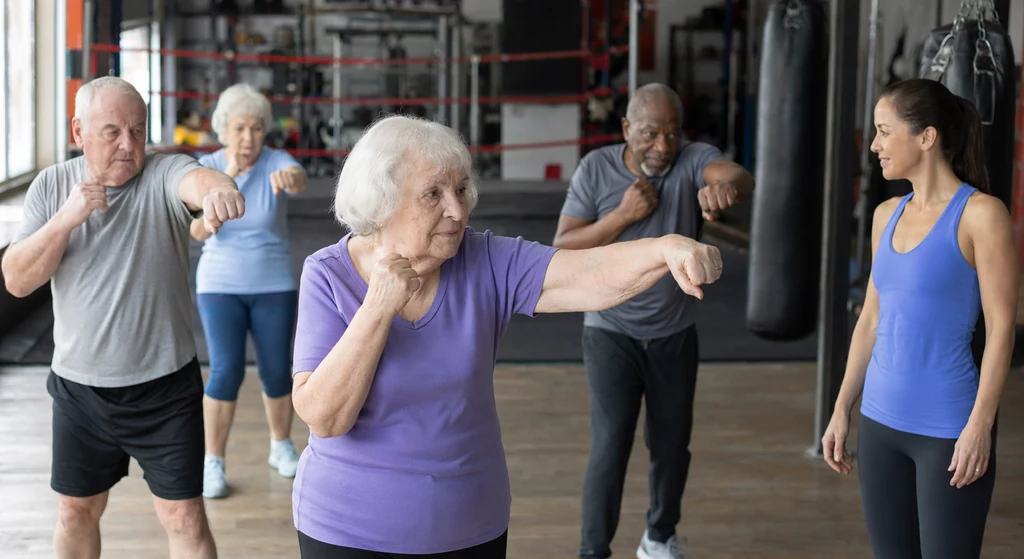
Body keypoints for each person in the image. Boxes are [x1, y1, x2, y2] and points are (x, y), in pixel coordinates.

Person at [288, 113, 725, 558]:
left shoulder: (486, 260)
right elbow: (324, 417)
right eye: (433, 194)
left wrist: (665, 247)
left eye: (460, 190)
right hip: (346, 532)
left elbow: (587, 275)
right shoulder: (328, 275)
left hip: (471, 526)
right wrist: (379, 305)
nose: (457, 211)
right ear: (382, 202)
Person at [1, 76, 245, 559]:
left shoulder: (160, 173)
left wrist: (219, 187)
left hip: (164, 390)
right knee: (76, 510)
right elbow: (17, 280)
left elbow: (195, 179)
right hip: (79, 391)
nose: (128, 145)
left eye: (138, 130)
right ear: (78, 132)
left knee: (184, 516)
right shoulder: (52, 187)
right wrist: (67, 219)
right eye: (112, 131)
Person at [552, 83, 754, 559]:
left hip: (673, 333)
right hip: (610, 333)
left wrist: (727, 186)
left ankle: (658, 537)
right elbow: (562, 247)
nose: (662, 147)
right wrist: (623, 215)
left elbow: (736, 175)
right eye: (648, 134)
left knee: (671, 446)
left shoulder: (690, 159)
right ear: (626, 129)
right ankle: (592, 551)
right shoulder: (596, 169)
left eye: (671, 133)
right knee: (611, 445)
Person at [822, 78, 1017, 559]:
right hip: (880, 424)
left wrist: (980, 426)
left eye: (884, 131)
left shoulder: (981, 216)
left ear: (926, 137)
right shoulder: (886, 214)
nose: (874, 145)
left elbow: (1002, 330)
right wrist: (842, 407)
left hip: (948, 429)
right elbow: (870, 318)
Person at [189, 83, 307, 500]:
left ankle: (281, 446)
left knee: (277, 369)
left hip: (273, 283)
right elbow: (195, 229)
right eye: (240, 128)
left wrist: (292, 178)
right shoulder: (209, 166)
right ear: (225, 129)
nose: (248, 137)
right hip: (219, 285)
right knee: (226, 370)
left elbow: (298, 180)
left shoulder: (278, 162)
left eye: (256, 128)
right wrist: (219, 203)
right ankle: (213, 462)